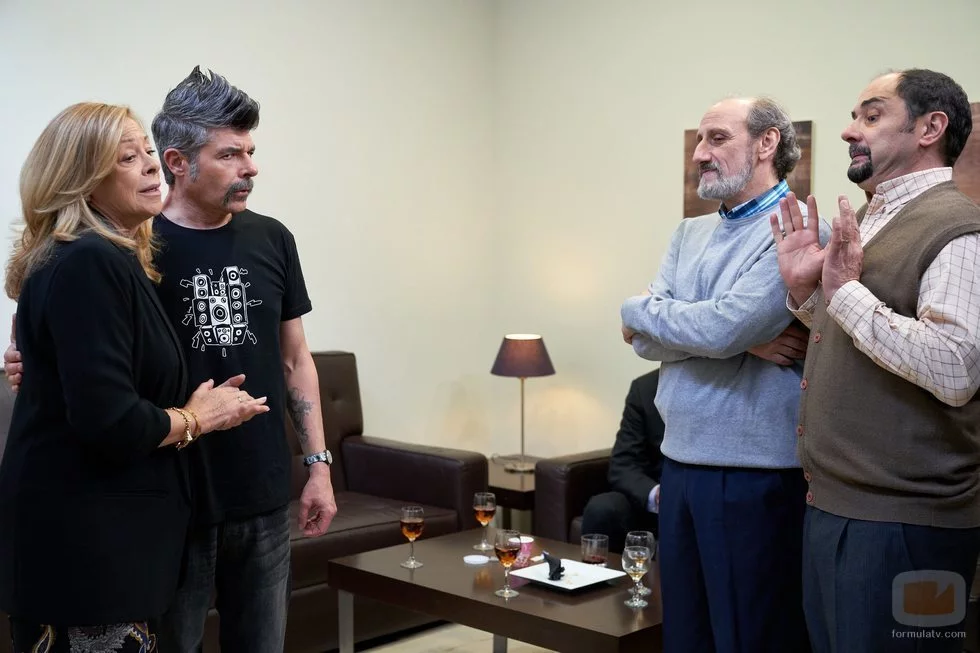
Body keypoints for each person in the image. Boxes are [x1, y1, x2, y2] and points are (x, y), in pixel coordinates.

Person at [5, 68, 338, 653]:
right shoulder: (127, 247)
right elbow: (88, 376)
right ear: (181, 162)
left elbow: (295, 359)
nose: (250, 168)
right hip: (170, 499)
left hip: (260, 493)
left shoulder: (266, 239)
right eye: (230, 154)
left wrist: (318, 466)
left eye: (250, 152)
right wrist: (34, 361)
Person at [772, 68, 980, 653]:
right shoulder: (867, 218)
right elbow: (861, 340)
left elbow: (955, 368)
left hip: (905, 523)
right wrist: (806, 294)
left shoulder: (960, 231)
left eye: (871, 115)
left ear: (929, 128)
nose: (849, 131)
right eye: (854, 117)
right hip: (837, 509)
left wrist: (844, 293)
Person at [620, 96, 826, 653]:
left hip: (754, 475)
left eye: (717, 138)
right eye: (698, 141)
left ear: (767, 143)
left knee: (749, 637)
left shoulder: (802, 231)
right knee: (685, 635)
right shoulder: (687, 234)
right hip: (680, 463)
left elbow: (717, 328)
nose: (699, 154)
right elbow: (643, 339)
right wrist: (743, 344)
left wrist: (647, 314)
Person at [581, 368, 664, 553]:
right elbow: (623, 464)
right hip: (653, 503)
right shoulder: (646, 388)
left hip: (705, 501)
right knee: (602, 508)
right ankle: (597, 571)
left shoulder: (726, 384)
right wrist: (656, 494)